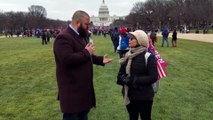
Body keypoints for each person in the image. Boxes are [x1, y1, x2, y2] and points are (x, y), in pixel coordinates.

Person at [53, 10, 113, 120]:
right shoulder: (63, 37)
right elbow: (67, 59)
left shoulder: (81, 36)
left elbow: (86, 55)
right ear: (77, 22)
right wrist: (86, 52)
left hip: (82, 90)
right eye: (86, 24)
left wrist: (100, 60)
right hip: (72, 92)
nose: (88, 27)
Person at [117, 30, 158, 120]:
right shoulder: (127, 56)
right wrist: (123, 79)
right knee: (132, 117)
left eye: (132, 38)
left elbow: (154, 77)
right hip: (129, 96)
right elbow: (119, 76)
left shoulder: (148, 57)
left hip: (144, 97)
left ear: (140, 41)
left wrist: (134, 80)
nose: (129, 40)